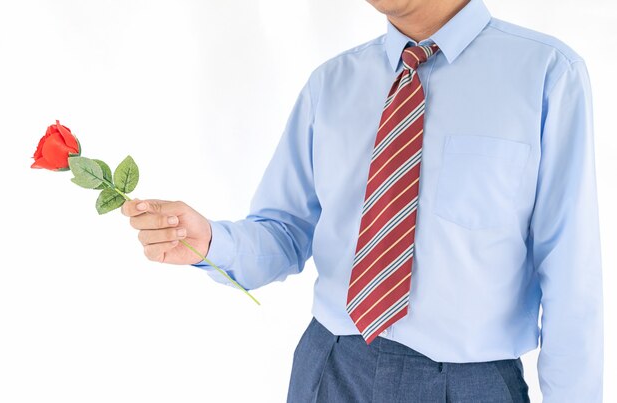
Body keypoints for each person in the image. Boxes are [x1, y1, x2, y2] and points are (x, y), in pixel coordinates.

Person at [121, 0, 603, 401]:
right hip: (332, 369)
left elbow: (570, 271)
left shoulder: (547, 74)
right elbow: (286, 230)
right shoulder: (330, 84)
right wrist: (210, 242)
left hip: (469, 382)